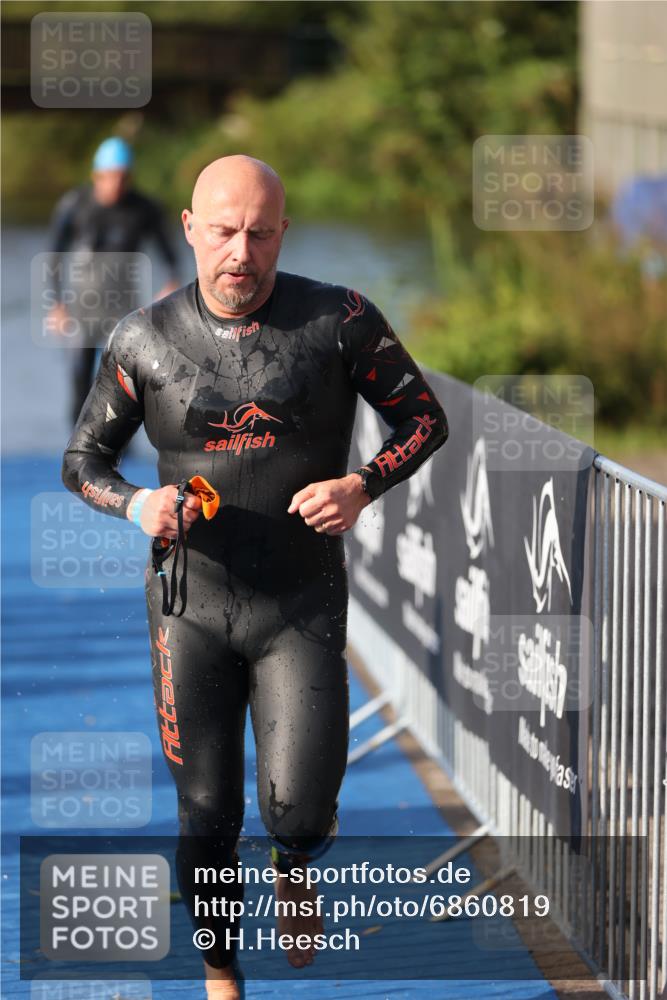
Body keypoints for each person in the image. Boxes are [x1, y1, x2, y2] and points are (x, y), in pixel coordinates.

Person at [61, 155, 448, 998]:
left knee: (298, 815)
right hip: (188, 607)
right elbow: (82, 459)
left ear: (282, 233)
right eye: (225, 231)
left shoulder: (339, 320)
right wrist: (134, 506)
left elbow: (424, 418)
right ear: (192, 229)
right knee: (205, 815)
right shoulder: (143, 339)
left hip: (298, 606)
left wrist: (362, 484)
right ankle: (221, 972)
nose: (242, 252)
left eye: (261, 233)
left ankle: (293, 859)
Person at [47, 137, 180, 425]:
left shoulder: (143, 209)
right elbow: (54, 256)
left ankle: (121, 454)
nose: (115, 185)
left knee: (122, 385)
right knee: (80, 382)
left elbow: (170, 252)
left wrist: (171, 283)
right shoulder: (75, 205)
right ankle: (75, 450)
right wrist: (56, 304)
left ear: (130, 178)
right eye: (109, 177)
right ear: (97, 175)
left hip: (123, 310)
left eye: (122, 178)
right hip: (82, 308)